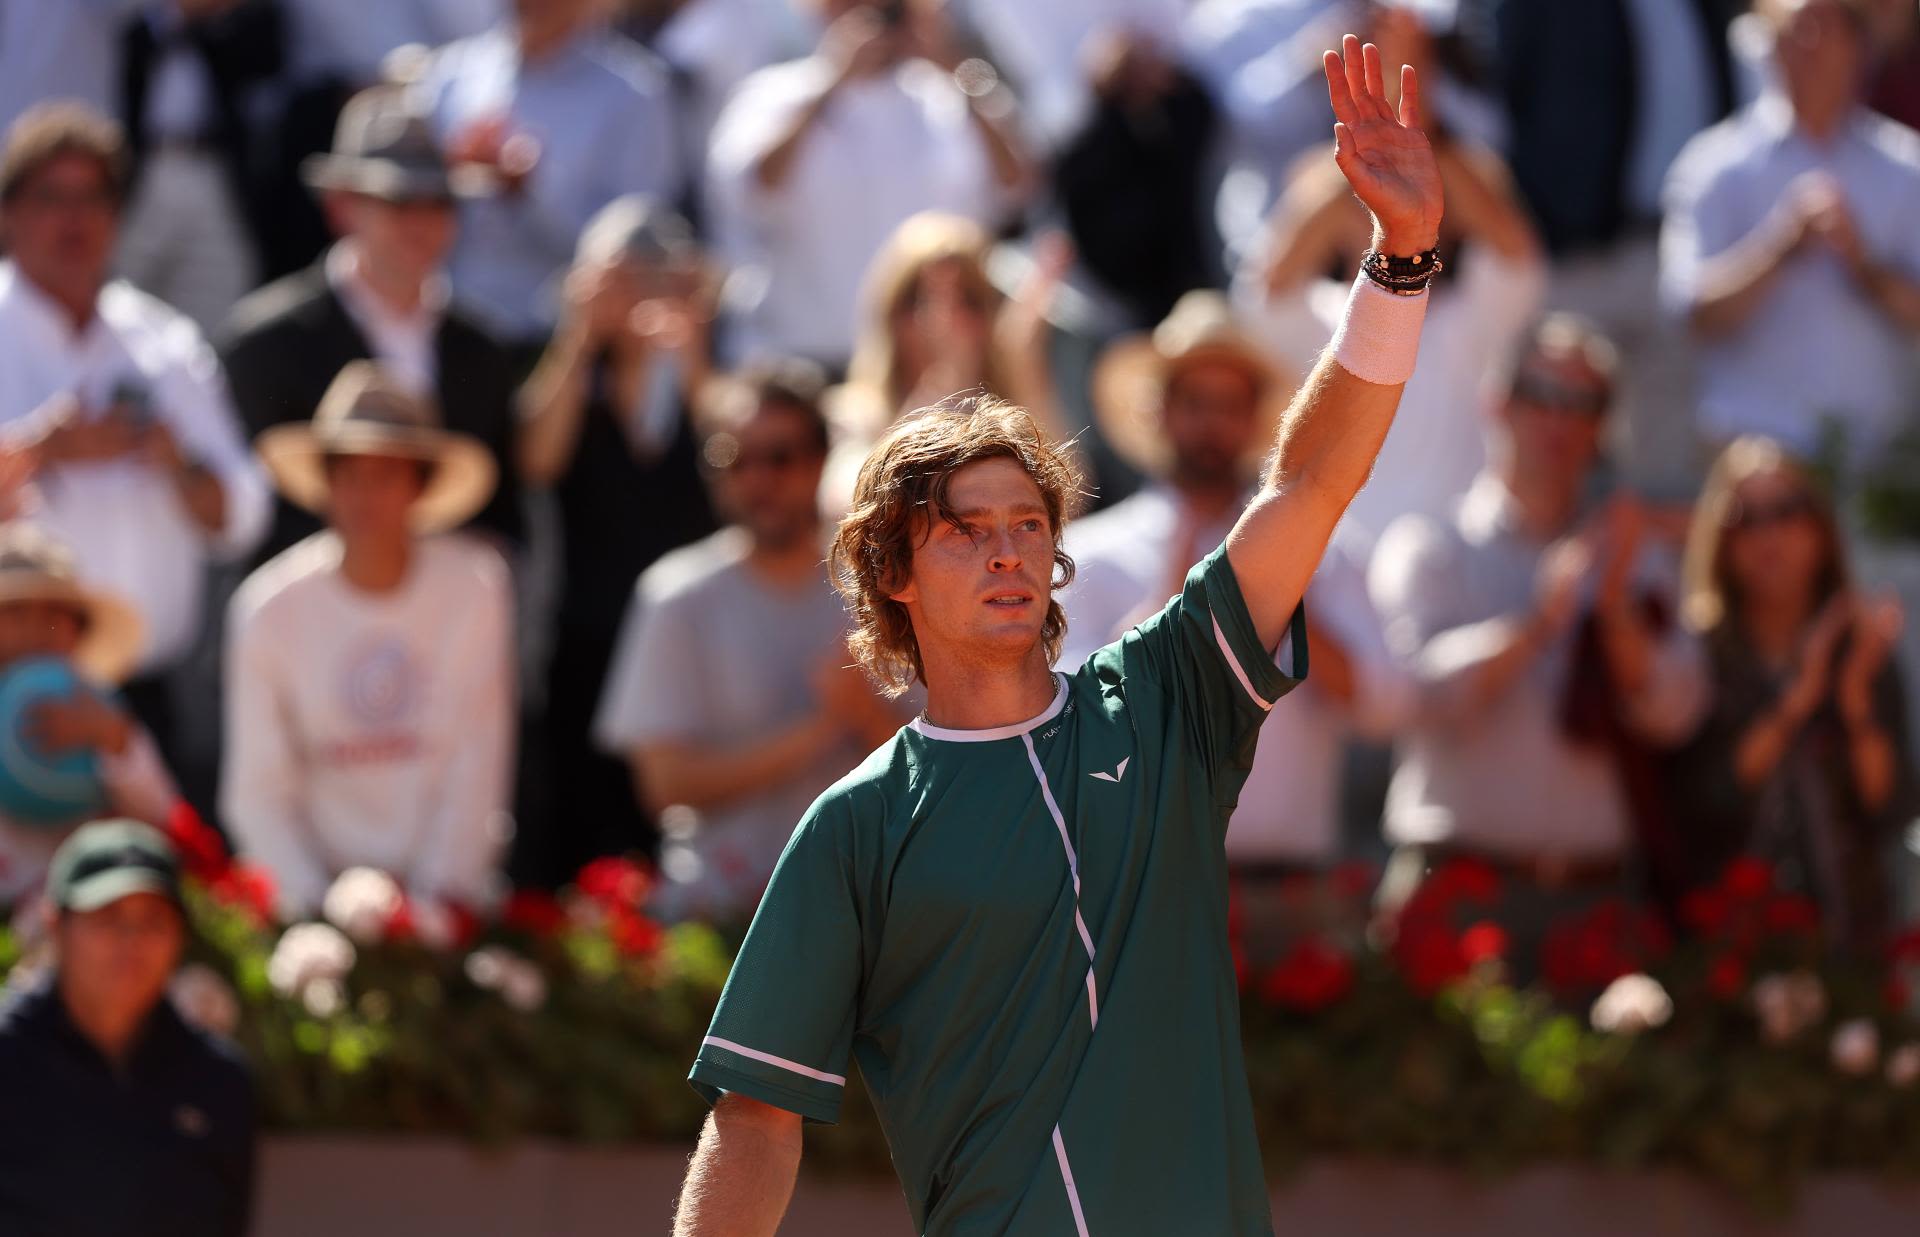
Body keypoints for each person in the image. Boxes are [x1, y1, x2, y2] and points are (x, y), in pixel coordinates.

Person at [673, 35, 1442, 1234]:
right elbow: (757, 1118)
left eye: (1028, 523)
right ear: (890, 574)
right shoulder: (856, 829)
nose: (1007, 550)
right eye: (965, 530)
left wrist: (1399, 262)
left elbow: (1304, 486)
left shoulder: (1169, 695)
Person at [1368, 315, 1707, 966]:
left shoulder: (1635, 561)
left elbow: (1678, 712)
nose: (1561, 420)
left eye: (1584, 403)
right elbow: (1413, 698)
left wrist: (1614, 613)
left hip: (1598, 895)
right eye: (1542, 395)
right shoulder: (1432, 546)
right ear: (1497, 403)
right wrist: (1537, 623)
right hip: (1457, 889)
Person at [1064, 290, 1409, 901]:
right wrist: (1174, 598)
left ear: (1255, 420)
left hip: (1293, 893)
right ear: (1159, 411)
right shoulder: (1087, 555)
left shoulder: (1328, 551)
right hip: (1139, 892)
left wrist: (1281, 588)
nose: (1211, 424)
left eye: (1230, 404)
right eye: (1194, 402)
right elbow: (1072, 719)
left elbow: (1382, 709)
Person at [0, 102, 271, 802]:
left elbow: (242, 513)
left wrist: (173, 457)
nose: (74, 220)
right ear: (8, 215)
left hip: (143, 694)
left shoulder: (165, 343)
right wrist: (39, 449)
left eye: (93, 198)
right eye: (50, 198)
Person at [595, 362, 895, 921]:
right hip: (719, 919)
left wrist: (864, 714)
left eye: (779, 457)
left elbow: (942, 760)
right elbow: (664, 786)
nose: (757, 479)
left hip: (868, 914)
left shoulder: (882, 588)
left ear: (819, 460)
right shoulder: (675, 595)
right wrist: (821, 728)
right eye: (732, 458)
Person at [223, 363, 513, 918]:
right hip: (315, 913)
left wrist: (433, 909)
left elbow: (479, 760)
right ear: (327, 485)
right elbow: (257, 789)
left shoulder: (478, 589)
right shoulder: (268, 608)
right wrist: (318, 912)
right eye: (349, 475)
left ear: (418, 485)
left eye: (386, 474)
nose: (364, 495)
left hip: (447, 908)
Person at [1239, 18, 1544, 546]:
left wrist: (1422, 135)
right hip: (1338, 580)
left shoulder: (1475, 318)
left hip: (1456, 570)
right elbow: (1261, 293)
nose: (1389, 215)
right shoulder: (1324, 324)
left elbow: (1518, 257)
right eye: (1367, 203)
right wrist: (1362, 151)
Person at [220, 86, 525, 563]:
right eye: (400, 201)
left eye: (439, 203)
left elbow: (502, 516)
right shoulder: (265, 344)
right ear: (342, 207)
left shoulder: (482, 352)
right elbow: (256, 522)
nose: (421, 223)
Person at [513, 194, 720, 887]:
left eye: (655, 276)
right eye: (621, 278)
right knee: (577, 833)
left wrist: (692, 350)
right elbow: (537, 458)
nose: (638, 296)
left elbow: (732, 468)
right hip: (584, 641)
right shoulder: (574, 376)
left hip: (687, 644)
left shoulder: (704, 374)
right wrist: (578, 332)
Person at [1668, 437, 1915, 953]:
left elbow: (1888, 806)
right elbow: (1711, 800)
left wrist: (1853, 700)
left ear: (1821, 531)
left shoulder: (1862, 651)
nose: (1769, 535)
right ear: (1721, 540)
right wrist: (1799, 697)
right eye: (1746, 519)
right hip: (1729, 948)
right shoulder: (1699, 654)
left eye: (1787, 511)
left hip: (1851, 940)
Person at [1486, 0, 1738, 495]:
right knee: (1560, 437)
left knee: (1668, 466)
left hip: (1675, 253)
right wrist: (1545, 215)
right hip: (1575, 254)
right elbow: (1499, 97)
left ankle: (1648, 572)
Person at [1660, 0, 1920, 463]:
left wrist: (1864, 267)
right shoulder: (1714, 166)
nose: (1810, 49)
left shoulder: (1905, 168)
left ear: (1858, 48)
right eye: (1797, 32)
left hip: (1875, 466)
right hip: (1751, 472)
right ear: (1772, 47)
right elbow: (1692, 311)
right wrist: (1779, 247)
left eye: (1826, 31)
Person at [705, 0, 1030, 368]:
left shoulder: (955, 91)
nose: (874, 18)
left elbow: (1018, 187)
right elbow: (754, 189)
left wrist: (953, 63)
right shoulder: (773, 93)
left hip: (930, 363)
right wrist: (833, 80)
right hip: (807, 358)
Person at [0, 820, 255, 1237]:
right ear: (55, 926)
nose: (131, 941)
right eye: (107, 916)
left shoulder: (222, 1083)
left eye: (154, 920)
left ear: (180, 937)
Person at [413, 0, 683, 351]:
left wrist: (531, 194)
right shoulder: (448, 76)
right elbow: (403, 204)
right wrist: (451, 175)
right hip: (443, 329)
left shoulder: (634, 93)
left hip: (562, 344)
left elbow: (639, 244)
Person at [822, 211, 1065, 511]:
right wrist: (946, 380)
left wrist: (1023, 360)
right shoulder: (852, 413)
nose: (944, 321)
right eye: (920, 301)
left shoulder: (1011, 413)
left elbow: (1067, 503)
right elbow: (854, 505)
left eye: (967, 300)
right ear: (890, 314)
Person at [0, 525, 179, 909]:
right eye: (16, 611)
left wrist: (113, 739)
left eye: (55, 614)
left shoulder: (100, 708)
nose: (38, 627)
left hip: (90, 903)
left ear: (79, 631)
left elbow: (161, 812)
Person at [117, 0, 286, 332]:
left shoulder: (239, 23)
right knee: (119, 285)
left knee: (220, 293)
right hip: (142, 171)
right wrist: (177, 16)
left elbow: (264, 60)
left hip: (211, 169)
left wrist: (205, 19)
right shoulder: (134, 24)